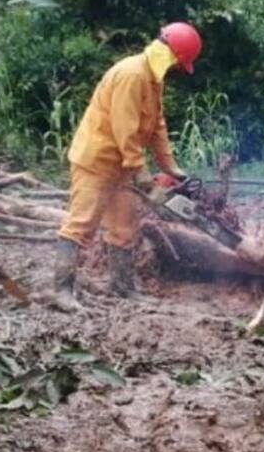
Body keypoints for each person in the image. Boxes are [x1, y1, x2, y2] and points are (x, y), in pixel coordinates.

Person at [53, 22, 202, 310]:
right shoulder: (131, 75)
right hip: (96, 161)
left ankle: (122, 287)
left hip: (122, 167)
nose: (175, 71)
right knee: (80, 224)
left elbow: (157, 126)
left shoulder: (152, 80)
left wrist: (172, 168)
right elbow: (126, 131)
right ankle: (61, 290)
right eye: (177, 65)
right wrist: (145, 178)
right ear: (172, 56)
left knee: (124, 227)